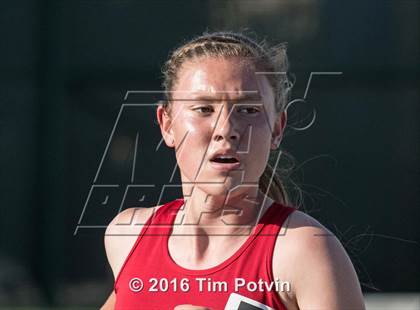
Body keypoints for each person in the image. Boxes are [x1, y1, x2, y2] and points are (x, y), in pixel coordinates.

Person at [101, 31, 365, 309]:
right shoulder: (128, 236)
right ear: (167, 124)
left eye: (248, 110)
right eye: (203, 108)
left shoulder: (305, 250)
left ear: (277, 128)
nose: (226, 130)